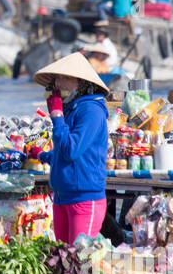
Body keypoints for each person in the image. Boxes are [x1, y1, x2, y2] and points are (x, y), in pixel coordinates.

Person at [27, 53, 111, 243]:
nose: (59, 83)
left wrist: (57, 116)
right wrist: (42, 155)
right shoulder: (72, 108)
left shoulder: (91, 110)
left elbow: (71, 150)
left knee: (79, 263)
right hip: (61, 197)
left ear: (81, 83)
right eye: (58, 78)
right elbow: (64, 154)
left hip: (84, 199)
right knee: (62, 264)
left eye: (66, 78)